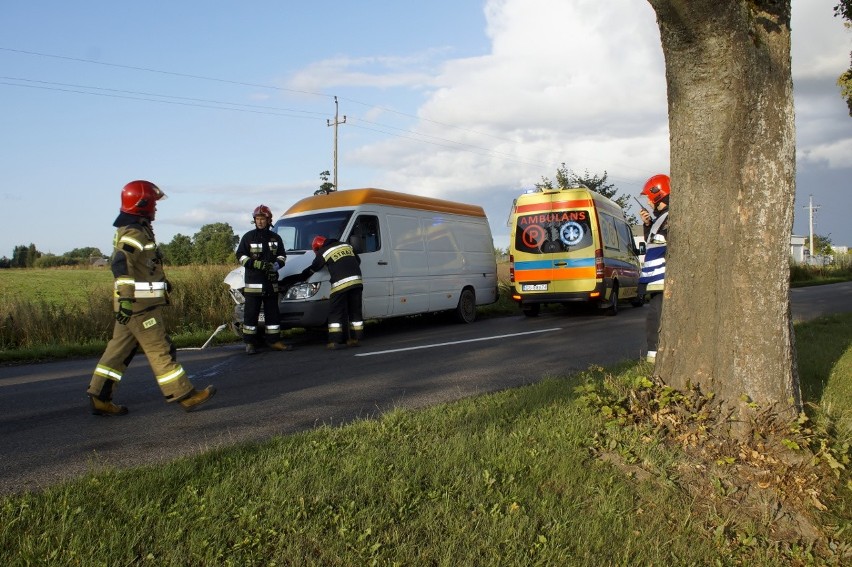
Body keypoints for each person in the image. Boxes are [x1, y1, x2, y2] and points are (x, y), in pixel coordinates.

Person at [87, 180, 216, 415]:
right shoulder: (133, 232)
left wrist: (161, 282)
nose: (156, 208)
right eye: (153, 204)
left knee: (117, 353)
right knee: (161, 349)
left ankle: (100, 396)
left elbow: (143, 265)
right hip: (140, 307)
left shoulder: (138, 228)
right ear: (142, 204)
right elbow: (121, 263)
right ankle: (185, 395)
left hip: (134, 306)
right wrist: (126, 298)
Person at [236, 204, 291, 354]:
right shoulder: (248, 237)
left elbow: (282, 256)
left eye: (262, 219)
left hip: (271, 283)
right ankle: (250, 344)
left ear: (268, 220)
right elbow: (240, 256)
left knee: (273, 313)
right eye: (257, 219)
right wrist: (256, 264)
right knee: (251, 314)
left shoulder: (275, 237)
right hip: (254, 283)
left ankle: (274, 341)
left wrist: (276, 266)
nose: (260, 221)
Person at [301, 235, 364, 349]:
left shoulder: (324, 251)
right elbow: (358, 260)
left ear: (317, 248)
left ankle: (334, 341)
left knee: (336, 312)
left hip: (340, 284)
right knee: (354, 311)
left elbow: (315, 267)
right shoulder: (346, 245)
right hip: (357, 282)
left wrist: (302, 276)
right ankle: (355, 339)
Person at [638, 174, 670, 364]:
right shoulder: (661, 218)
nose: (648, 201)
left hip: (663, 278)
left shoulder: (670, 216)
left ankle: (656, 356)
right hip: (657, 279)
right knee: (654, 317)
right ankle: (655, 355)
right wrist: (648, 224)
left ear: (658, 194)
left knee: (656, 319)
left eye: (649, 197)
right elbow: (652, 242)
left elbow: (665, 240)